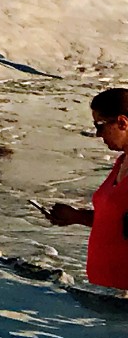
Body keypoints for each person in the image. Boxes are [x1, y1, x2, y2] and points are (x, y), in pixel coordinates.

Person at [41, 87, 128, 291]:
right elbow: (116, 219)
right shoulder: (121, 162)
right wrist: (77, 217)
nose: (98, 134)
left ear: (122, 122)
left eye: (100, 125)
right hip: (105, 291)